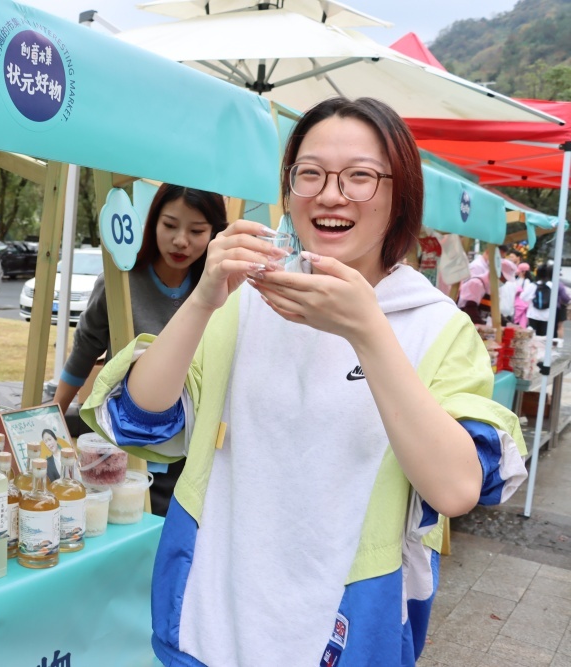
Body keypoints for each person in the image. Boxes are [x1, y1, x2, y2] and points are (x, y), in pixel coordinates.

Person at [80, 97, 527, 666]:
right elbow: (138, 421)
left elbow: (458, 490)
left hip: (340, 624)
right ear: (288, 189)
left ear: (399, 196)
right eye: (309, 173)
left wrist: (367, 330)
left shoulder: (437, 325)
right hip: (211, 609)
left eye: (360, 176)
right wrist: (200, 300)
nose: (331, 193)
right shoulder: (244, 297)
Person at [54, 183, 227, 516]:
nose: (181, 240)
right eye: (170, 225)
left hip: (190, 453)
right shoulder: (120, 283)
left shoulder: (224, 290)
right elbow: (85, 350)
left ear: (215, 233)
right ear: (152, 223)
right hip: (121, 451)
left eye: (197, 230)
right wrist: (53, 413)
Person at [519, 262, 570, 337]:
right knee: (543, 338)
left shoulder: (533, 285)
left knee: (531, 336)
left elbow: (523, 297)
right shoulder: (552, 285)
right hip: (547, 316)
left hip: (533, 315)